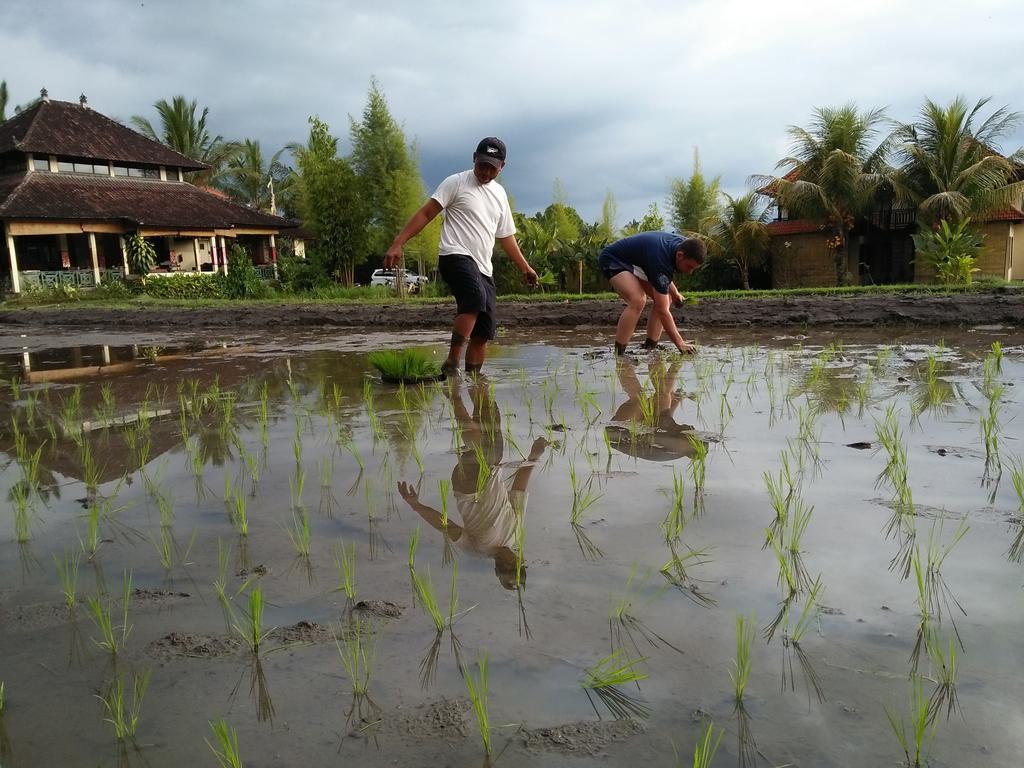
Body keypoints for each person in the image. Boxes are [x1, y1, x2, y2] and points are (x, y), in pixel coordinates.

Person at [385, 137, 539, 377]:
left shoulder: (499, 194)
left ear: (502, 167)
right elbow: (426, 213)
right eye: (482, 165)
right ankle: (451, 364)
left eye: (492, 168)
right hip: (454, 255)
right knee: (474, 299)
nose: (486, 172)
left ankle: (475, 382)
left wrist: (525, 267)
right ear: (474, 158)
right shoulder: (456, 183)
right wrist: (398, 242)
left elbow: (506, 237)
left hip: (483, 267)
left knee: (485, 330)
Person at [397, 377, 547, 589]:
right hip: (493, 472)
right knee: (490, 420)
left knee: (482, 444)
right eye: (515, 565)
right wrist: (533, 456)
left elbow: (446, 526)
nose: (508, 561)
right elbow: (518, 490)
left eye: (504, 567)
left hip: (468, 488)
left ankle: (455, 397)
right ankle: (475, 382)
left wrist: (416, 505)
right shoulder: (514, 535)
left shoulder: (476, 548)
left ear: (496, 569)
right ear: (521, 561)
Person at [597, 231, 706, 356]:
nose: (690, 272)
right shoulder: (662, 258)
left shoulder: (686, 246)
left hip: (639, 262)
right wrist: (680, 343)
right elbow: (662, 310)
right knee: (638, 300)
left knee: (667, 298)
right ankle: (619, 353)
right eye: (689, 266)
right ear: (680, 255)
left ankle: (649, 347)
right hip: (613, 259)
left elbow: (663, 275)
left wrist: (674, 292)